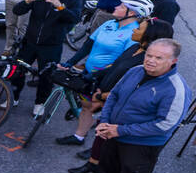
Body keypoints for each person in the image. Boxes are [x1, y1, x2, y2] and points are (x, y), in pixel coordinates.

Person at [74, 39, 190, 173]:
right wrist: (105, 120)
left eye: (159, 57)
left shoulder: (176, 88)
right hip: (114, 132)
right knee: (107, 168)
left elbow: (166, 124)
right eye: (149, 55)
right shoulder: (135, 71)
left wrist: (120, 130)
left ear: (173, 61)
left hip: (142, 143)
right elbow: (114, 96)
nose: (151, 60)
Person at [59, 19, 174, 151]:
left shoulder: (148, 59)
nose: (134, 30)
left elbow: (133, 85)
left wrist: (104, 96)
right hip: (104, 89)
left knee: (109, 122)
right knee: (88, 109)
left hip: (115, 95)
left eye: (138, 29)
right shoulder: (135, 47)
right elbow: (115, 66)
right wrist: (95, 76)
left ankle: (98, 152)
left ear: (149, 35)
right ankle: (79, 137)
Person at [7, 0, 79, 116]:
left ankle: (40, 103)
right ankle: (13, 96)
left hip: (51, 46)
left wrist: (59, 6)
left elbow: (73, 19)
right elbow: (17, 10)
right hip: (30, 42)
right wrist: (28, 1)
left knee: (46, 76)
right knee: (18, 69)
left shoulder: (72, 1)